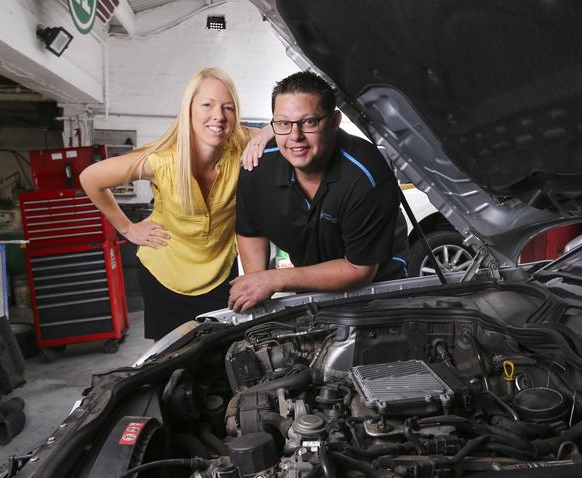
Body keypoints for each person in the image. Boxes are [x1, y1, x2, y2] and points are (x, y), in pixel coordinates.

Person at [80, 67, 271, 339]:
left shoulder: (240, 143)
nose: (218, 115)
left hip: (218, 275)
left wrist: (266, 133)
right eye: (208, 104)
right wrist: (127, 229)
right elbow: (90, 178)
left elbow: (286, 127)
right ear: (189, 109)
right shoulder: (160, 161)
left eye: (228, 108)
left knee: (218, 359)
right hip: (165, 275)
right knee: (171, 363)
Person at [230, 71, 409, 313]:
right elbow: (251, 231)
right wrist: (258, 283)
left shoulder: (365, 174)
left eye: (309, 122)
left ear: (334, 122)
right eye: (283, 123)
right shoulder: (257, 168)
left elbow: (360, 270)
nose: (295, 137)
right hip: (311, 284)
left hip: (379, 288)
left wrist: (275, 279)